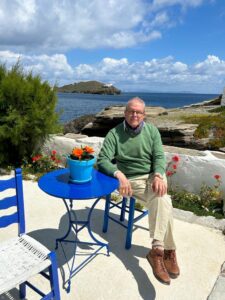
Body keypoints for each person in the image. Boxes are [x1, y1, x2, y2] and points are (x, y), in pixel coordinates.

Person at [97, 97, 180, 285]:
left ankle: (157, 251)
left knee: (161, 197)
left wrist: (159, 174)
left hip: (153, 176)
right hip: (131, 180)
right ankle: (167, 250)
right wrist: (118, 174)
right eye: (131, 111)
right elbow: (102, 161)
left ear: (144, 115)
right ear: (125, 113)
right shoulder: (114, 134)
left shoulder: (152, 131)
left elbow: (159, 156)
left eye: (139, 112)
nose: (135, 115)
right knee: (163, 200)